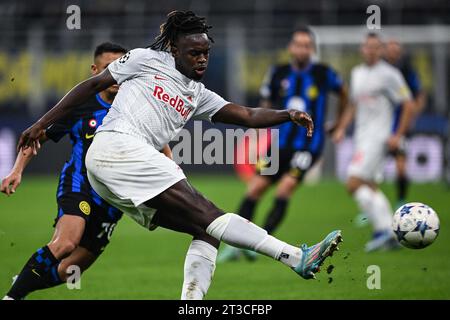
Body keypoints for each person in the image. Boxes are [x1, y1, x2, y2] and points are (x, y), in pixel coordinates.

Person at [16, 11, 342, 300]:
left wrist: (288, 114)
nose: (201, 59)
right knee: (211, 214)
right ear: (174, 49)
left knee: (206, 230)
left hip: (114, 168)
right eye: (194, 53)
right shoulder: (145, 59)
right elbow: (91, 85)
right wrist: (42, 123)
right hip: (117, 146)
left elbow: (246, 115)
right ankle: (294, 257)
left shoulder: (198, 95)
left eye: (206, 53)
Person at [2, 43, 169, 300]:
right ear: (95, 70)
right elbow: (37, 137)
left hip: (113, 200)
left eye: (120, 70)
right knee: (66, 243)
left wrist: (171, 171)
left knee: (70, 271)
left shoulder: (134, 107)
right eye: (108, 69)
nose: (116, 77)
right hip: (79, 185)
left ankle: (22, 283)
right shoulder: (80, 105)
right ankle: (13, 297)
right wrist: (17, 170)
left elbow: (161, 144)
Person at [219, 26, 348, 262]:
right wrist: (258, 131)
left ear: (313, 49)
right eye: (298, 44)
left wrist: (339, 124)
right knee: (255, 189)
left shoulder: (323, 73)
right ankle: (237, 247)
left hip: (308, 146)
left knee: (285, 188)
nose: (301, 49)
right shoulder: (278, 72)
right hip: (279, 145)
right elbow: (265, 103)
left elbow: (344, 95)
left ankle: (260, 244)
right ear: (291, 47)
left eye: (306, 46)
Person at [332, 33, 414, 252]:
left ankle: (384, 230)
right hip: (361, 137)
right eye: (368, 47)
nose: (371, 51)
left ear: (381, 51)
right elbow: (352, 105)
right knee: (368, 185)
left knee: (353, 182)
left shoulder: (390, 74)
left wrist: (398, 134)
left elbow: (408, 104)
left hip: (378, 138)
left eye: (376, 47)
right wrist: (341, 128)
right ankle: (389, 232)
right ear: (362, 49)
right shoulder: (357, 73)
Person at [384, 39, 426, 206]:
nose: (393, 52)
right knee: (373, 170)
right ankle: (371, 206)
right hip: (381, 126)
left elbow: (419, 95)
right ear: (386, 51)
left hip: (400, 126)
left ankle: (401, 200)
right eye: (390, 48)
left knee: (401, 166)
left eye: (396, 49)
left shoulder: (407, 70)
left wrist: (412, 115)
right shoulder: (380, 70)